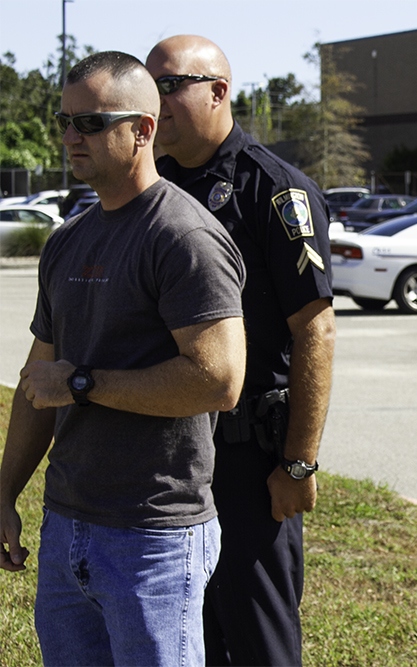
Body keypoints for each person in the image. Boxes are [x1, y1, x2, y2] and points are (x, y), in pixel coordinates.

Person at [0, 51, 246, 666]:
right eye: (64, 121)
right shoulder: (67, 241)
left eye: (89, 122)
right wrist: (4, 494)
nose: (69, 137)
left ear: (143, 129)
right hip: (66, 528)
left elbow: (218, 380)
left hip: (154, 537)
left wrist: (81, 383)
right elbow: (38, 384)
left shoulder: (183, 236)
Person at [145, 35, 336, 666]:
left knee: (257, 633)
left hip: (251, 459)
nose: (156, 99)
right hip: (172, 455)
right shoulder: (155, 186)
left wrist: (299, 463)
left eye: (170, 84)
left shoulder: (274, 190)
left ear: (218, 91)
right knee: (184, 629)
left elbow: (315, 330)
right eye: (150, 86)